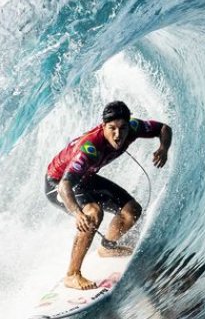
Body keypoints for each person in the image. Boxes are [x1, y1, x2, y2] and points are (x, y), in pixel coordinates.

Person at [44, 100, 173, 290]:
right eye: (112, 128)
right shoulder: (89, 149)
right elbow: (65, 185)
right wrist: (78, 213)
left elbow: (163, 128)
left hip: (85, 178)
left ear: (129, 125)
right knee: (93, 213)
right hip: (57, 183)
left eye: (122, 128)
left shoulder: (133, 127)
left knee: (131, 210)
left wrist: (163, 149)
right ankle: (72, 275)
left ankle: (107, 247)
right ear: (103, 126)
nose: (118, 134)